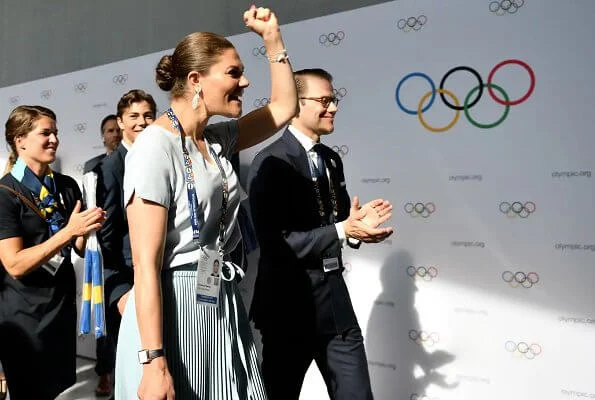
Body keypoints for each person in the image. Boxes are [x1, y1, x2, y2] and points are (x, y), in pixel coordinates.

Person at [115, 6, 296, 399]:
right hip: (173, 314)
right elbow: (145, 266)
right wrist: (155, 362)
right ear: (195, 80)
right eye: (234, 73)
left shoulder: (216, 139)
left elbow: (283, 109)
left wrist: (273, 40)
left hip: (218, 302)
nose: (245, 82)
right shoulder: (153, 147)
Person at [247, 68, 394, 400]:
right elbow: (277, 244)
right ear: (296, 104)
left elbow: (337, 221)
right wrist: (342, 229)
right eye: (325, 100)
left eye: (335, 99)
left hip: (337, 309)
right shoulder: (269, 162)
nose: (334, 108)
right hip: (287, 308)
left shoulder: (330, 158)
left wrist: (358, 227)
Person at [0, 105, 105, 399]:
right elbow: (14, 264)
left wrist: (88, 229)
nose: (54, 139)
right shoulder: (5, 194)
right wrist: (69, 231)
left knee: (55, 389)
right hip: (24, 314)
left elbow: (77, 249)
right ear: (20, 140)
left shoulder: (67, 186)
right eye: (45, 133)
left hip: (59, 309)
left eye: (56, 133)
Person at [94, 90, 157, 397]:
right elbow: (108, 231)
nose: (142, 122)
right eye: (133, 116)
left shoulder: (162, 153)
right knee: (131, 354)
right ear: (120, 122)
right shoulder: (111, 166)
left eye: (147, 115)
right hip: (129, 273)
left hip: (160, 267)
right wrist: (121, 281)